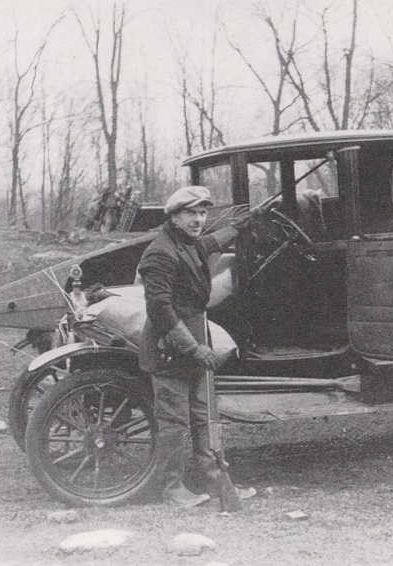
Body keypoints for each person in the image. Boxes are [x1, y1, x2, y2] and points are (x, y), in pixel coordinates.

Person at [137, 185, 255, 508]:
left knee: (204, 416)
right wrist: (196, 349)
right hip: (170, 347)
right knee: (175, 422)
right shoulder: (161, 252)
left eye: (203, 213)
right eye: (191, 213)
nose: (198, 219)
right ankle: (172, 489)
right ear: (174, 216)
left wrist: (238, 226)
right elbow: (159, 309)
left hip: (192, 342)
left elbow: (210, 243)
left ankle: (214, 480)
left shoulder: (188, 244)